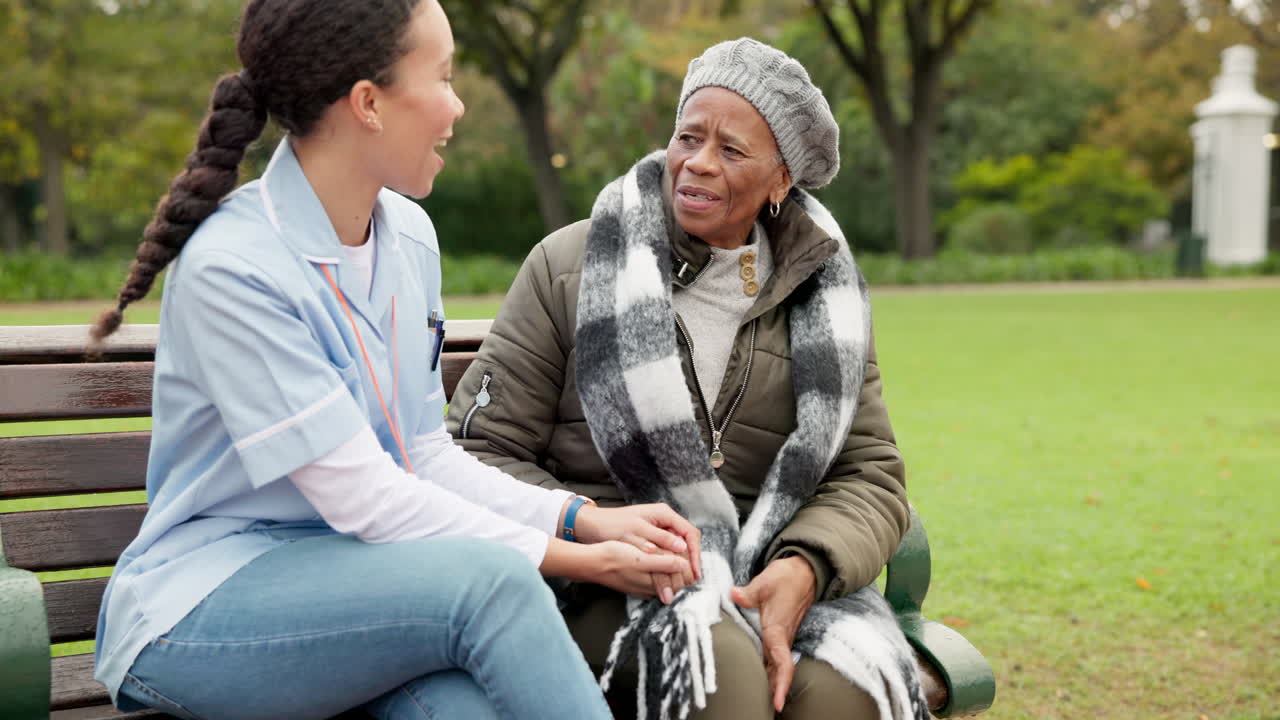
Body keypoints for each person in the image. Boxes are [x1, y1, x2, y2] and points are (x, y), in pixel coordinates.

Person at [87, 2, 703, 718]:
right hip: (204, 607)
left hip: (365, 583)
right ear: (368, 104)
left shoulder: (408, 237)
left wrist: (580, 517)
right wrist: (582, 560)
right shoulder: (234, 268)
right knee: (497, 582)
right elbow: (366, 498)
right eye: (442, 76)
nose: (457, 105)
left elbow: (420, 455)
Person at [446, 38, 932, 720]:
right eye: (689, 137)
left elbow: (869, 473)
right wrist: (597, 531)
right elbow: (477, 452)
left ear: (781, 181)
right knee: (718, 672)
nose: (698, 163)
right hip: (595, 576)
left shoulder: (827, 296)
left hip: (764, 569)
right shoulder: (570, 266)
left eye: (731, 150)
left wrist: (804, 568)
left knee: (842, 694)